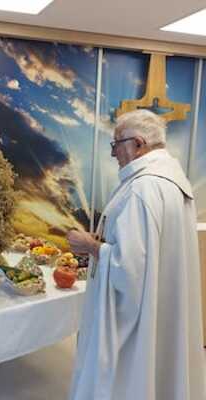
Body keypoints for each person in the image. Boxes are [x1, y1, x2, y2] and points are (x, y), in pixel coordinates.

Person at [67, 109, 205, 400]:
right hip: (164, 304)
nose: (113, 153)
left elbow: (128, 272)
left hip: (138, 321)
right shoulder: (173, 180)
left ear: (138, 144)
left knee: (128, 377)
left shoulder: (142, 189)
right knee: (161, 364)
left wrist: (90, 246)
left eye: (116, 143)